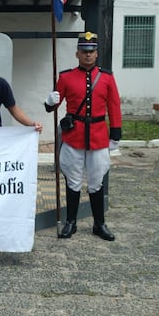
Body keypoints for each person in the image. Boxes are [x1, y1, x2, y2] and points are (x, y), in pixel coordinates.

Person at [44, 31, 122, 241]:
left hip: (97, 137)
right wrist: (50, 101)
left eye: (92, 51)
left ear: (96, 54)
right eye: (84, 51)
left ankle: (99, 223)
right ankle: (71, 222)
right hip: (74, 136)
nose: (88, 55)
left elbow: (114, 106)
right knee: (73, 181)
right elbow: (52, 107)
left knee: (96, 181)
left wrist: (115, 133)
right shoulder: (66, 77)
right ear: (77, 53)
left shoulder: (106, 77)